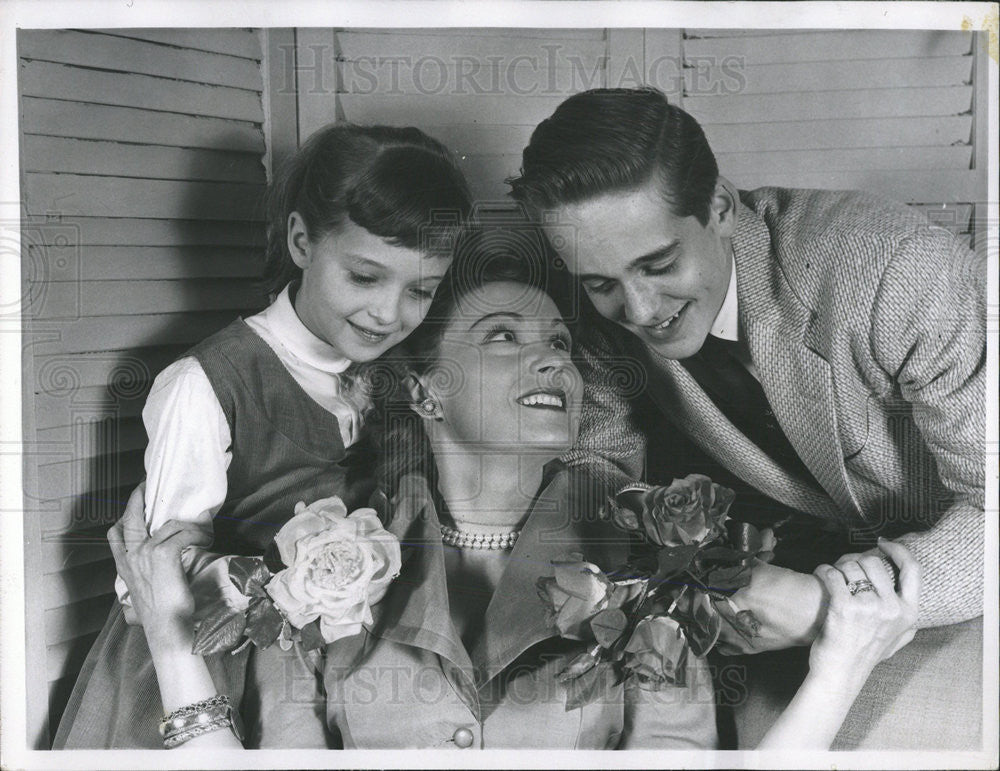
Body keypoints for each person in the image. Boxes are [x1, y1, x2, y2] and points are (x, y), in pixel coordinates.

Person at [105, 240, 920, 749]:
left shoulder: (653, 567)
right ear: (423, 393)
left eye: (560, 346)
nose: (551, 363)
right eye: (504, 338)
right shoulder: (314, 561)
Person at [507, 87, 985, 748]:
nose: (640, 309)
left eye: (659, 264)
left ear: (721, 207)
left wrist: (829, 602)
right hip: (784, 593)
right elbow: (598, 472)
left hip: (957, 572)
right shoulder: (591, 306)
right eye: (600, 282)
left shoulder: (893, 270)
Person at [53, 122, 473, 749]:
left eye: (419, 290)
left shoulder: (387, 372)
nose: (389, 314)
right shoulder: (207, 384)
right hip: (216, 661)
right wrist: (295, 583)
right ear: (303, 241)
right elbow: (152, 578)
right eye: (364, 276)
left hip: (343, 664)